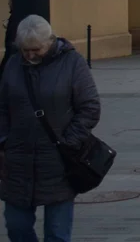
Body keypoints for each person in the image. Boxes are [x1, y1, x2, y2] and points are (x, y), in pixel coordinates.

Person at [0, 16, 100, 242]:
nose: (30, 55)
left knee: (57, 233)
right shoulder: (14, 64)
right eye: (25, 50)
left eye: (35, 49)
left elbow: (90, 107)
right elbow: (2, 106)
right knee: (16, 227)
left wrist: (69, 142)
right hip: (18, 162)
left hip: (59, 161)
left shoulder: (72, 62)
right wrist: (4, 140)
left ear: (50, 42)